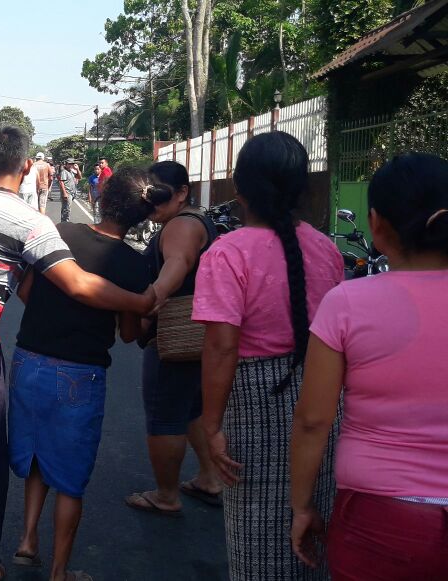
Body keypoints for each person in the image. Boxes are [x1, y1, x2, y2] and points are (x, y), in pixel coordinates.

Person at [0, 125, 155, 581]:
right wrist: (140, 302)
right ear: (25, 169)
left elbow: (18, 285)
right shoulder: (30, 222)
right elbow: (77, 283)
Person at [192, 131, 344, 580]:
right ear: (302, 189)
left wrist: (212, 424)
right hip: (322, 393)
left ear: (239, 190)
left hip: (253, 400)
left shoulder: (226, 253)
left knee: (257, 532)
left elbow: (221, 346)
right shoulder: (327, 249)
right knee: (317, 522)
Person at [289, 153, 448, 579]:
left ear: (375, 225)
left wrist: (302, 505)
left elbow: (312, 420)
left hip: (382, 517)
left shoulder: (348, 303)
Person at [10, 167, 154, 581]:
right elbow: (128, 334)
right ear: (141, 217)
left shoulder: (60, 233)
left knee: (37, 455)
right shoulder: (133, 265)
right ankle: (59, 572)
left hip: (29, 359)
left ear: (104, 197)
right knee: (70, 478)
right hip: (80, 374)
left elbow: (25, 291)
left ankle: (26, 541)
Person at [124, 160, 223, 516]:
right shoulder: (196, 219)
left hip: (175, 334)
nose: (151, 203)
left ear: (182, 192)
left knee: (165, 414)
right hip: (200, 333)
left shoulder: (181, 225)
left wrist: (148, 301)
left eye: (159, 195)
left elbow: (177, 264)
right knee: (192, 408)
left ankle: (166, 495)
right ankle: (210, 478)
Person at [57, 158, 79, 223]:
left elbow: (79, 177)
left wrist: (77, 169)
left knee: (68, 209)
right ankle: (64, 223)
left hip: (72, 193)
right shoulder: (64, 172)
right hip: (67, 193)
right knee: (66, 209)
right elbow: (61, 182)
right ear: (66, 164)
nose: (71, 165)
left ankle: (65, 222)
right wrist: (64, 193)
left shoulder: (72, 172)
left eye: (72, 164)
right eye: (69, 164)